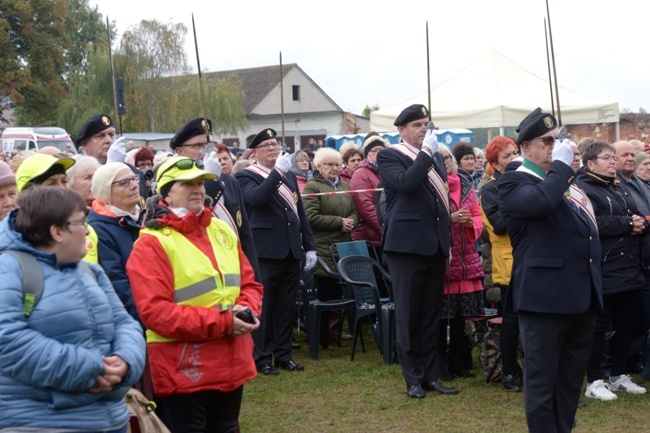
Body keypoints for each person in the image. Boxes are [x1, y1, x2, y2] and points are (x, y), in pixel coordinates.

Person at [127, 157, 262, 433]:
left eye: (200, 182)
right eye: (188, 183)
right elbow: (156, 314)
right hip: (184, 366)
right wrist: (225, 322)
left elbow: (249, 283)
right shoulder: (152, 242)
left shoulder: (220, 229)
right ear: (166, 192)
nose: (198, 189)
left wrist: (247, 310)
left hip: (230, 359)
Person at [0, 187, 145, 431]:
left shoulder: (91, 271)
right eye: (80, 222)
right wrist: (93, 367)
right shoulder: (9, 269)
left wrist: (126, 361)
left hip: (111, 419)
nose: (88, 230)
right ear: (57, 232)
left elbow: (125, 323)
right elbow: (7, 339)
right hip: (42, 423)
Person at [498, 107, 602, 433]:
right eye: (546, 141)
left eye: (557, 140)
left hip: (580, 298)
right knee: (542, 387)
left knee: (570, 385)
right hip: (543, 300)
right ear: (526, 148)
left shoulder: (563, 182)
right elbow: (541, 203)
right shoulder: (514, 181)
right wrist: (560, 166)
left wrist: (562, 170)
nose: (554, 146)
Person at [376, 104, 457, 399]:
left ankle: (430, 374)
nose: (424, 129)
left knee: (430, 315)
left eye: (426, 124)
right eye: (417, 125)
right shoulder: (389, 155)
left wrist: (445, 241)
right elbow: (405, 183)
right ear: (401, 130)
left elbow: (440, 201)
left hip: (434, 243)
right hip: (406, 245)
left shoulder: (433, 156)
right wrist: (425, 155)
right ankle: (412, 377)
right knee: (409, 314)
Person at [235, 128, 317, 375]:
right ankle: (262, 358)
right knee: (265, 306)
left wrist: (310, 246)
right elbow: (257, 198)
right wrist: (278, 173)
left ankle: (283, 354)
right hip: (265, 251)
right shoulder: (246, 176)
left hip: (291, 250)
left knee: (286, 307)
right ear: (256, 151)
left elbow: (298, 212)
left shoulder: (289, 176)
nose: (273, 148)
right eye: (267, 145)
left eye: (275, 144)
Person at [577, 140, 647, 401]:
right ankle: (595, 380)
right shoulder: (584, 187)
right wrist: (628, 223)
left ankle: (618, 375)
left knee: (626, 324)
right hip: (604, 267)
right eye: (607, 158)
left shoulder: (619, 187)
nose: (612, 162)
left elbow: (635, 214)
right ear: (591, 163)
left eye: (612, 158)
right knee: (599, 326)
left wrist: (638, 222)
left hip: (629, 266)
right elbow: (591, 220)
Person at [170, 117, 260, 281]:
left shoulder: (229, 181)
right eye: (197, 146)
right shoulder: (173, 184)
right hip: (200, 271)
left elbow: (245, 235)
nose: (205, 151)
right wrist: (209, 180)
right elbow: (192, 221)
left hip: (234, 267)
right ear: (179, 151)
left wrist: (255, 281)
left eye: (209, 145)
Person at [302, 147, 359, 347]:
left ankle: (334, 336)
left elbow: (354, 211)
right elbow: (310, 217)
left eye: (337, 164)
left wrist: (351, 221)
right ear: (318, 166)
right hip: (323, 248)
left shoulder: (344, 185)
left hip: (342, 247)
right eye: (329, 164)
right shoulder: (312, 187)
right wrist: (339, 222)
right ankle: (320, 338)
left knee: (337, 294)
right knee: (325, 295)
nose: (335, 168)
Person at [478, 136, 521, 392]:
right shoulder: (491, 189)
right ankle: (509, 372)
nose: (513, 158)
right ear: (495, 163)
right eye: (506, 156)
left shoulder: (526, 180)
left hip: (533, 258)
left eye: (515, 152)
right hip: (508, 262)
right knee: (512, 319)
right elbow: (499, 224)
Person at [437, 144, 484, 379]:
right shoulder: (432, 185)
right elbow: (428, 218)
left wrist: (470, 224)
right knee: (442, 317)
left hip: (467, 260)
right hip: (446, 259)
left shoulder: (466, 185)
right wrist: (449, 219)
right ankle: (440, 363)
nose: (445, 161)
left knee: (459, 318)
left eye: (447, 158)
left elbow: (478, 216)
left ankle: (458, 361)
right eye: (441, 158)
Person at [88, 162, 144, 323]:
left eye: (134, 179)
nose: (134, 186)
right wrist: (149, 318)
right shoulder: (99, 229)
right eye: (124, 183)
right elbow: (117, 284)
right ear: (106, 193)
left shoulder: (143, 218)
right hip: (136, 320)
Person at [350, 135, 386, 249]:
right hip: (371, 240)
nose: (378, 153)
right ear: (366, 154)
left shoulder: (385, 171)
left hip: (382, 237)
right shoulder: (361, 174)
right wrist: (386, 231)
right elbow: (367, 209)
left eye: (381, 150)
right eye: (373, 150)